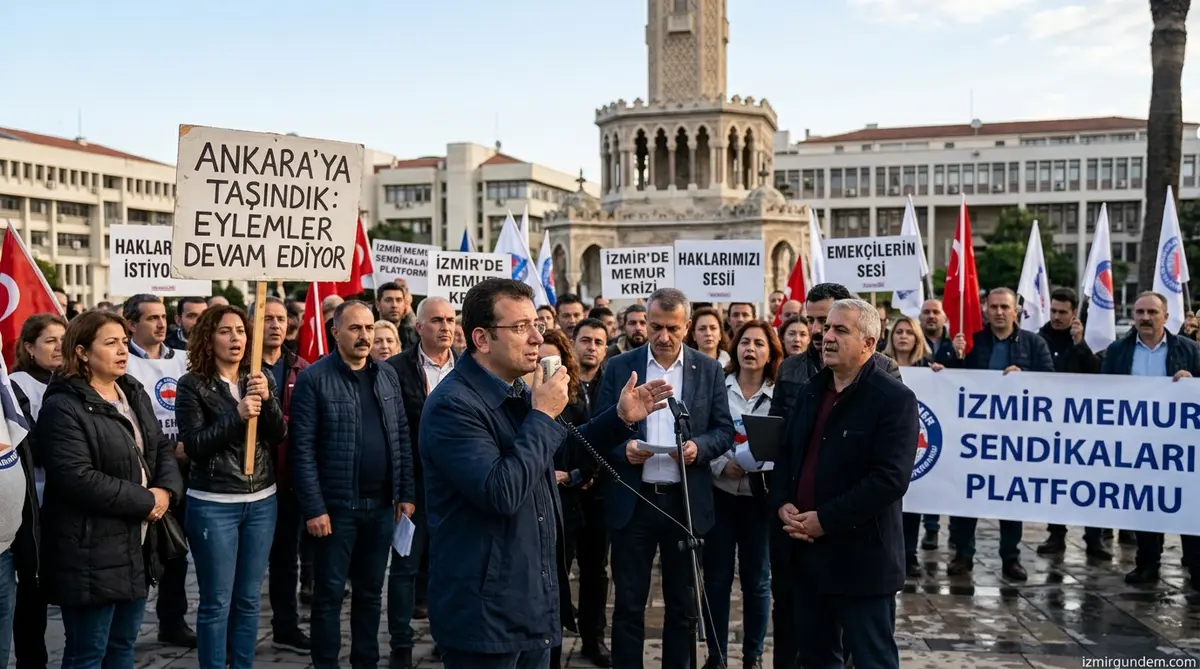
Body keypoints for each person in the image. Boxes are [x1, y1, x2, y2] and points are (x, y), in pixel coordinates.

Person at [420, 279, 670, 669]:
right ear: (482, 339)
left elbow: (561, 449)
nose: (538, 337)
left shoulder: (516, 389)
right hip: (485, 615)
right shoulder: (453, 406)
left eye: (535, 324)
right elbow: (500, 491)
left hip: (531, 604)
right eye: (521, 328)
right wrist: (541, 415)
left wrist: (619, 419)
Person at [772, 298, 917, 669]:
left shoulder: (893, 399)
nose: (825, 336)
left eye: (840, 329)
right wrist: (784, 502)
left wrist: (826, 519)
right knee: (816, 658)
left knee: (871, 659)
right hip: (807, 555)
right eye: (826, 328)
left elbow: (889, 479)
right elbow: (788, 455)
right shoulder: (812, 391)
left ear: (869, 343)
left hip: (862, 559)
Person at [37, 310, 184, 669]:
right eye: (110, 343)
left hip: (136, 544)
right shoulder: (63, 406)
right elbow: (77, 478)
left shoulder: (132, 392)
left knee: (122, 647)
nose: (121, 350)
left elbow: (160, 447)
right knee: (88, 653)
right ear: (83, 352)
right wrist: (147, 500)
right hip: (90, 549)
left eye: (123, 342)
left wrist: (166, 492)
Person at [598, 287, 735, 669]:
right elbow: (597, 430)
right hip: (634, 499)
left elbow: (723, 430)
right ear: (644, 320)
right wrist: (622, 448)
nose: (662, 336)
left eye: (672, 328)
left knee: (684, 605)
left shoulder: (707, 370)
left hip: (684, 502)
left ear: (687, 326)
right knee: (628, 603)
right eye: (655, 326)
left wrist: (699, 447)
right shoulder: (619, 366)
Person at [291, 300, 416, 669]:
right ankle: (326, 662)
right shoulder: (315, 379)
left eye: (368, 328)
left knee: (369, 592)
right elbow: (302, 450)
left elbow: (401, 437)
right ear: (335, 332)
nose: (365, 336)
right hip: (335, 509)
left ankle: (366, 661)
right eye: (355, 329)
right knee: (329, 595)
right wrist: (314, 507)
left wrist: (405, 493)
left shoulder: (386, 375)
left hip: (380, 508)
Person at [177, 305, 286, 669]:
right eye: (225, 331)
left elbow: (277, 434)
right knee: (216, 602)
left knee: (248, 599)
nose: (235, 338)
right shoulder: (193, 384)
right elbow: (194, 445)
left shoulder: (260, 377)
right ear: (209, 339)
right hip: (214, 502)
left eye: (240, 330)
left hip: (261, 501)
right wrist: (236, 416)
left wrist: (267, 401)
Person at [941, 287, 1054, 581]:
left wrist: (1027, 379)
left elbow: (1053, 384)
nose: (1000, 312)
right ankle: (963, 555)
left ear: (1016, 310)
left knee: (1010, 499)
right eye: (994, 307)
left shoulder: (1034, 344)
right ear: (985, 310)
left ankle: (1011, 558)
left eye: (1005, 307)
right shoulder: (973, 343)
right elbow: (952, 378)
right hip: (975, 436)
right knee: (966, 497)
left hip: (1015, 439)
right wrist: (952, 355)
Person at [1102, 292, 1200, 587]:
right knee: (1145, 505)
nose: (1145, 318)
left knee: (1187, 505)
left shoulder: (1190, 350)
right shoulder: (1118, 350)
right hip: (1136, 442)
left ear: (1166, 317)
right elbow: (1101, 392)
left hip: (1179, 445)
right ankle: (1147, 564)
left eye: (1152, 312)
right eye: (1140, 312)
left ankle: (1196, 565)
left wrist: (1192, 382)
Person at [702, 319, 782, 669]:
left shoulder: (780, 393)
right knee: (716, 580)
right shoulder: (718, 386)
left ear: (771, 351)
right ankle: (716, 655)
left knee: (757, 581)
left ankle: (753, 656)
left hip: (759, 501)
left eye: (759, 343)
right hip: (720, 496)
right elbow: (704, 431)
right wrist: (722, 465)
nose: (751, 349)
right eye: (745, 342)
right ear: (734, 347)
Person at [385, 296, 457, 669]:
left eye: (450, 319)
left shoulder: (469, 368)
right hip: (414, 490)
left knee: (450, 568)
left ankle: (446, 639)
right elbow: (394, 434)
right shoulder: (396, 370)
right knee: (405, 569)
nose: (446, 326)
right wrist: (403, 490)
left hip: (459, 489)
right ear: (420, 327)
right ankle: (400, 644)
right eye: (437, 320)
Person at [122, 295, 196, 647]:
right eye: (152, 318)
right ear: (131, 324)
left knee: (176, 551)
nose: (161, 324)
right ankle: (126, 625)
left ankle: (173, 619)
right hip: (138, 473)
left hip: (180, 469)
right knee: (135, 553)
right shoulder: (123, 363)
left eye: (164, 316)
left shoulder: (184, 360)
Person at [8, 314, 65, 669]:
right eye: (49, 340)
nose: (59, 347)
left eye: (64, 339)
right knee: (32, 596)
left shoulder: (73, 382)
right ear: (29, 347)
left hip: (68, 504)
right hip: (33, 505)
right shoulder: (16, 385)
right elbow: (34, 448)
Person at [539, 329, 597, 669]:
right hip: (530, 508)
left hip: (566, 505)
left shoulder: (574, 403)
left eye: (553, 363)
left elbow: (588, 450)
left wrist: (573, 476)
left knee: (560, 580)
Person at [1035, 288, 1108, 559]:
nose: (1056, 316)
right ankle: (1056, 533)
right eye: (1053, 311)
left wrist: (1080, 345)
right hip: (1051, 425)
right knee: (1056, 482)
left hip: (1083, 425)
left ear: (1074, 313)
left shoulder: (1089, 340)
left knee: (1090, 481)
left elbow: (1098, 374)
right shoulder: (1039, 338)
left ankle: (1094, 537)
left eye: (1062, 312)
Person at [257, 297, 312, 653]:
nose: (276, 325)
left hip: (288, 479)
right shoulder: (240, 368)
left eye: (282, 319)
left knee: (285, 559)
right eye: (267, 318)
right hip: (251, 480)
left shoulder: (301, 369)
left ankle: (286, 625)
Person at [569, 317, 613, 667]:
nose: (592, 348)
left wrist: (594, 472)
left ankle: (593, 637)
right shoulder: (561, 381)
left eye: (599, 341)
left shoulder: (610, 383)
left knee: (595, 569)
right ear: (574, 343)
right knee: (557, 565)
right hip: (565, 489)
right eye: (586, 340)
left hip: (599, 492)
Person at [883, 316, 935, 577]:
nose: (903, 336)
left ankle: (910, 554)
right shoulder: (879, 366)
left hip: (916, 450)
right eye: (898, 332)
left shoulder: (929, 368)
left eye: (908, 332)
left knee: (913, 505)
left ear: (917, 338)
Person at [376, 281, 420, 350]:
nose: (394, 305)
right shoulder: (370, 334)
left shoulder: (413, 338)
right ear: (378, 305)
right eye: (388, 300)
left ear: (405, 305)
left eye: (399, 300)